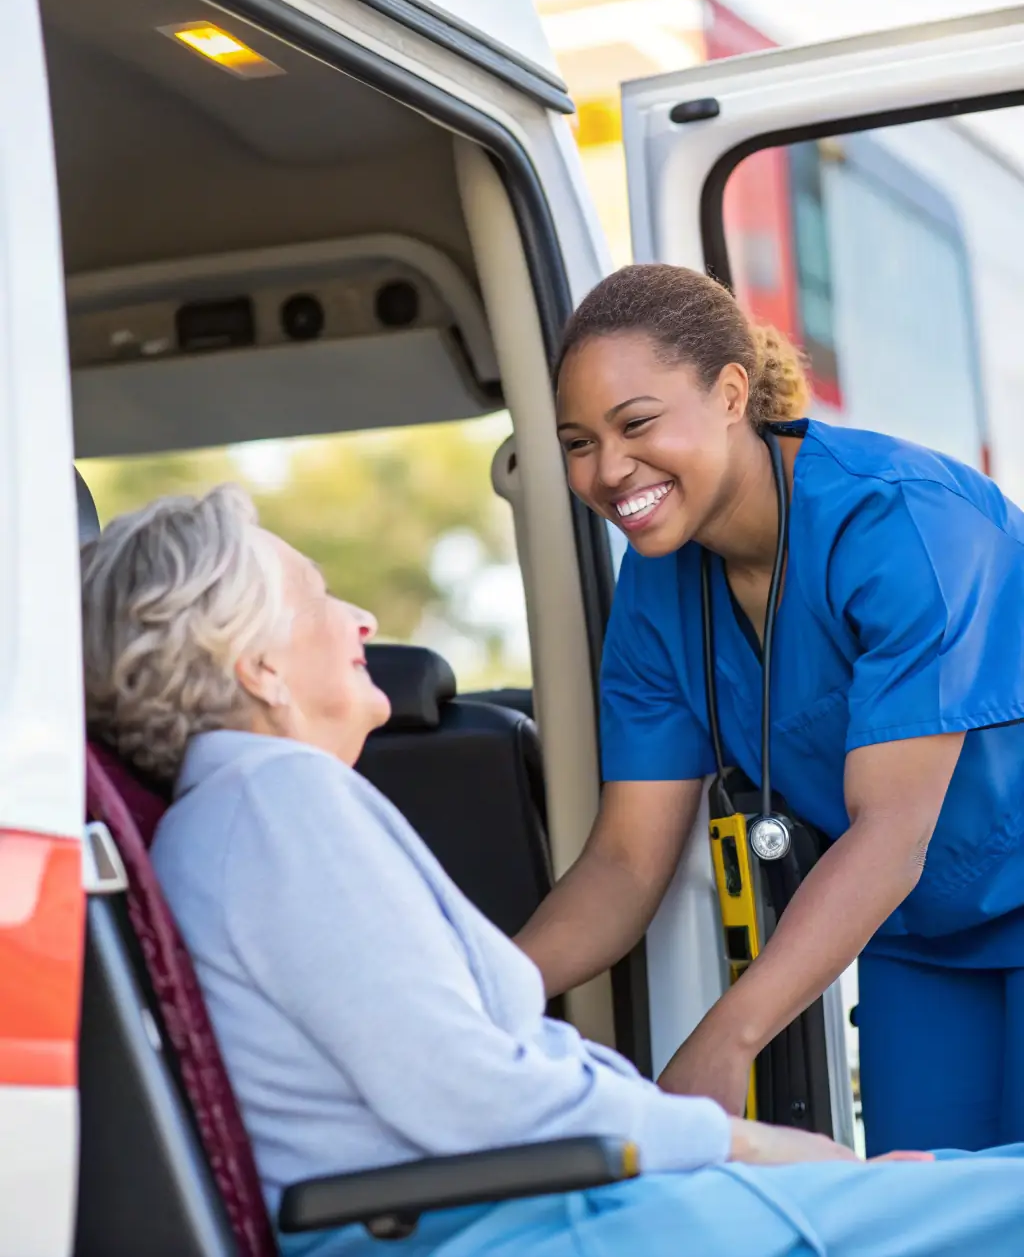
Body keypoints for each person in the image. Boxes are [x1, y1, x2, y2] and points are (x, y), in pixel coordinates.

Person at [79, 484, 1024, 1255]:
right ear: (258, 667)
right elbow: (479, 1095)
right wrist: (757, 1144)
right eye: (321, 597)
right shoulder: (276, 808)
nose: (361, 618)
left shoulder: (236, 817)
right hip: (503, 1224)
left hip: (508, 1205)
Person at [516, 261, 1024, 1158]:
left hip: (930, 880)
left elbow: (891, 831)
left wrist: (730, 1033)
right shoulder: (654, 595)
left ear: (730, 393)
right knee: (915, 1219)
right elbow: (626, 862)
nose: (608, 468)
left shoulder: (903, 521)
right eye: (577, 442)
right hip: (921, 940)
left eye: (635, 424)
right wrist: (481, 988)